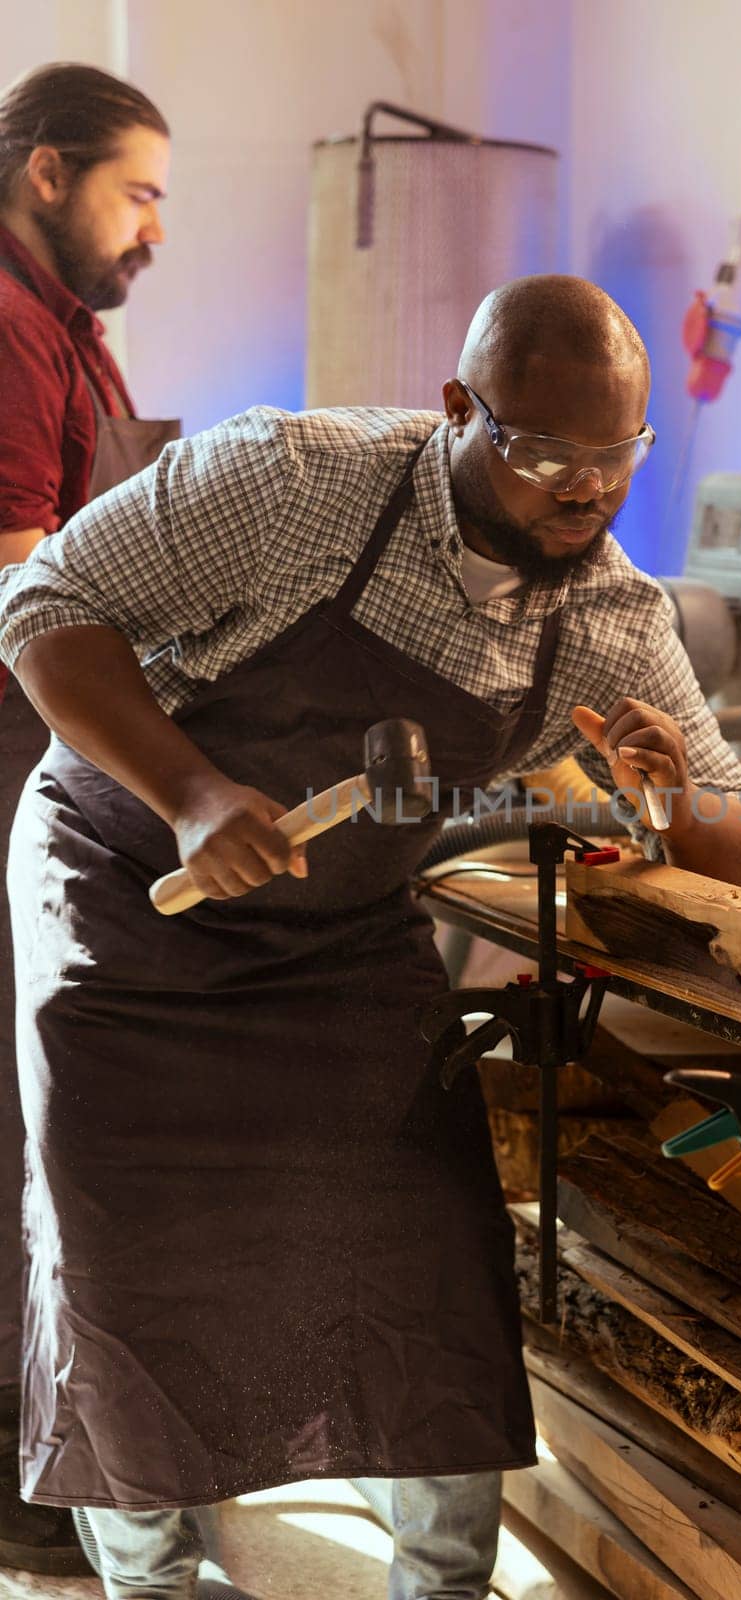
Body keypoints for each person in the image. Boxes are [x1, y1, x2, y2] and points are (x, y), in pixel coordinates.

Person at [0, 274, 741, 1599]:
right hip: (130, 895)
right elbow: (44, 608)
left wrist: (679, 807)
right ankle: (152, 1585)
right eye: (542, 456)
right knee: (129, 1268)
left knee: (424, 1261)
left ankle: (442, 1586)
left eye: (613, 460)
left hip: (339, 939)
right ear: (458, 409)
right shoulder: (291, 480)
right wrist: (192, 794)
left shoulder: (606, 616)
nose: (581, 494)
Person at [0, 61, 178, 1576]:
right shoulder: (3, 325)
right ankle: (29, 1471)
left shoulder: (71, 336)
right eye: (139, 192)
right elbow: (22, 580)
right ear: (47, 174)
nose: (154, 230)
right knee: (25, 1116)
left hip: (53, 752)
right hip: (14, 747)